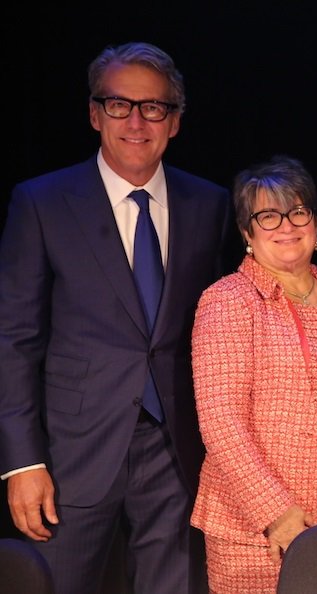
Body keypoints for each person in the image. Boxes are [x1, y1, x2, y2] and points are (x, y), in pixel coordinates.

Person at [0, 42, 236, 593]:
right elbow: (14, 340)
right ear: (94, 113)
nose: (135, 121)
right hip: (70, 456)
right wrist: (23, 462)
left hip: (177, 454)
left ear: (174, 121)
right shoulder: (42, 202)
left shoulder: (209, 205)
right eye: (118, 105)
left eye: (152, 107)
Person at [190, 155, 317, 593]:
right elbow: (221, 421)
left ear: (316, 222)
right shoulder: (228, 300)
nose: (287, 226)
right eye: (268, 216)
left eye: (298, 211)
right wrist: (275, 514)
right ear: (247, 232)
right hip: (253, 531)